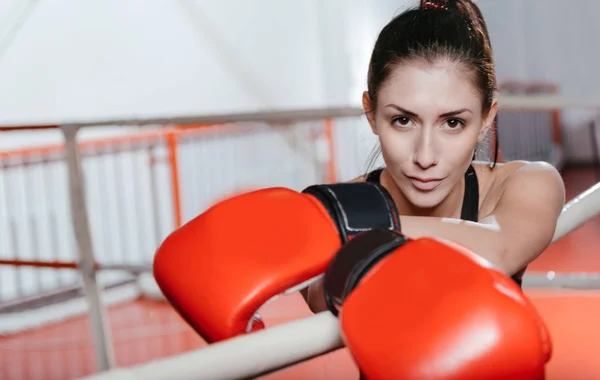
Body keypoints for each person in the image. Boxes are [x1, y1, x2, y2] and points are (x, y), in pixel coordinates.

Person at [302, 0, 565, 314]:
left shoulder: (525, 184)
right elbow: (319, 298)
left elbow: (498, 249)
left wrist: (350, 231)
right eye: (403, 120)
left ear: (485, 119)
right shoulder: (336, 209)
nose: (425, 156)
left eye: (453, 123)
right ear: (371, 113)